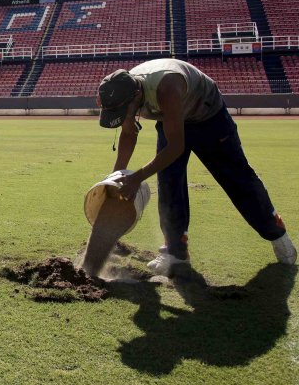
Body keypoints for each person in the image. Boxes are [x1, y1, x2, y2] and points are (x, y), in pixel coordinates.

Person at [96, 58, 296, 276]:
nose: (124, 115)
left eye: (124, 110)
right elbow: (128, 132)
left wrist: (137, 177)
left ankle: (277, 234)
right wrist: (117, 176)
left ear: (136, 96)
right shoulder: (125, 93)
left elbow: (176, 147)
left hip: (208, 117)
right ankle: (175, 251)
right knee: (169, 183)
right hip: (170, 120)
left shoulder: (167, 85)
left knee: (237, 178)